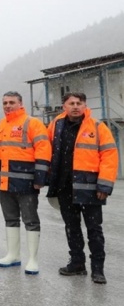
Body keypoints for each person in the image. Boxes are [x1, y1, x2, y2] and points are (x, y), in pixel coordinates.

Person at [47, 92, 118, 284]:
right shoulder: (56, 125)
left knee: (94, 229)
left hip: (91, 188)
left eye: (79, 103)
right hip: (64, 187)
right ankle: (77, 263)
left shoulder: (97, 127)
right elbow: (46, 149)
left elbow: (109, 156)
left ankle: (98, 269)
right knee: (72, 227)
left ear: (85, 106)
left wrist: (104, 184)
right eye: (71, 103)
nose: (76, 106)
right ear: (64, 106)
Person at [0, 91, 51, 275]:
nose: (7, 105)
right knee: (10, 219)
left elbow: (43, 150)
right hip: (5, 183)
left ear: (20, 104)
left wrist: (40, 178)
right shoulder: (0, 125)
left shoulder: (32, 123)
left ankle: (33, 259)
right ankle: (13, 255)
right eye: (5, 102)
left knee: (31, 221)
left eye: (11, 102)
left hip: (26, 183)